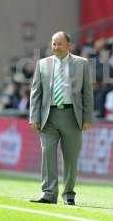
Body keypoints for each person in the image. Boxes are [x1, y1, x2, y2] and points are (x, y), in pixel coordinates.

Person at [29, 31, 93, 205]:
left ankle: (69, 194)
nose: (56, 47)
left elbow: (87, 92)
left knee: (71, 158)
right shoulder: (42, 64)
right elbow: (36, 92)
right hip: (48, 116)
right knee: (48, 155)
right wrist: (34, 116)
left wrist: (88, 118)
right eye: (54, 44)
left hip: (72, 116)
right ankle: (49, 193)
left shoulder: (82, 64)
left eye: (60, 44)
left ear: (69, 46)